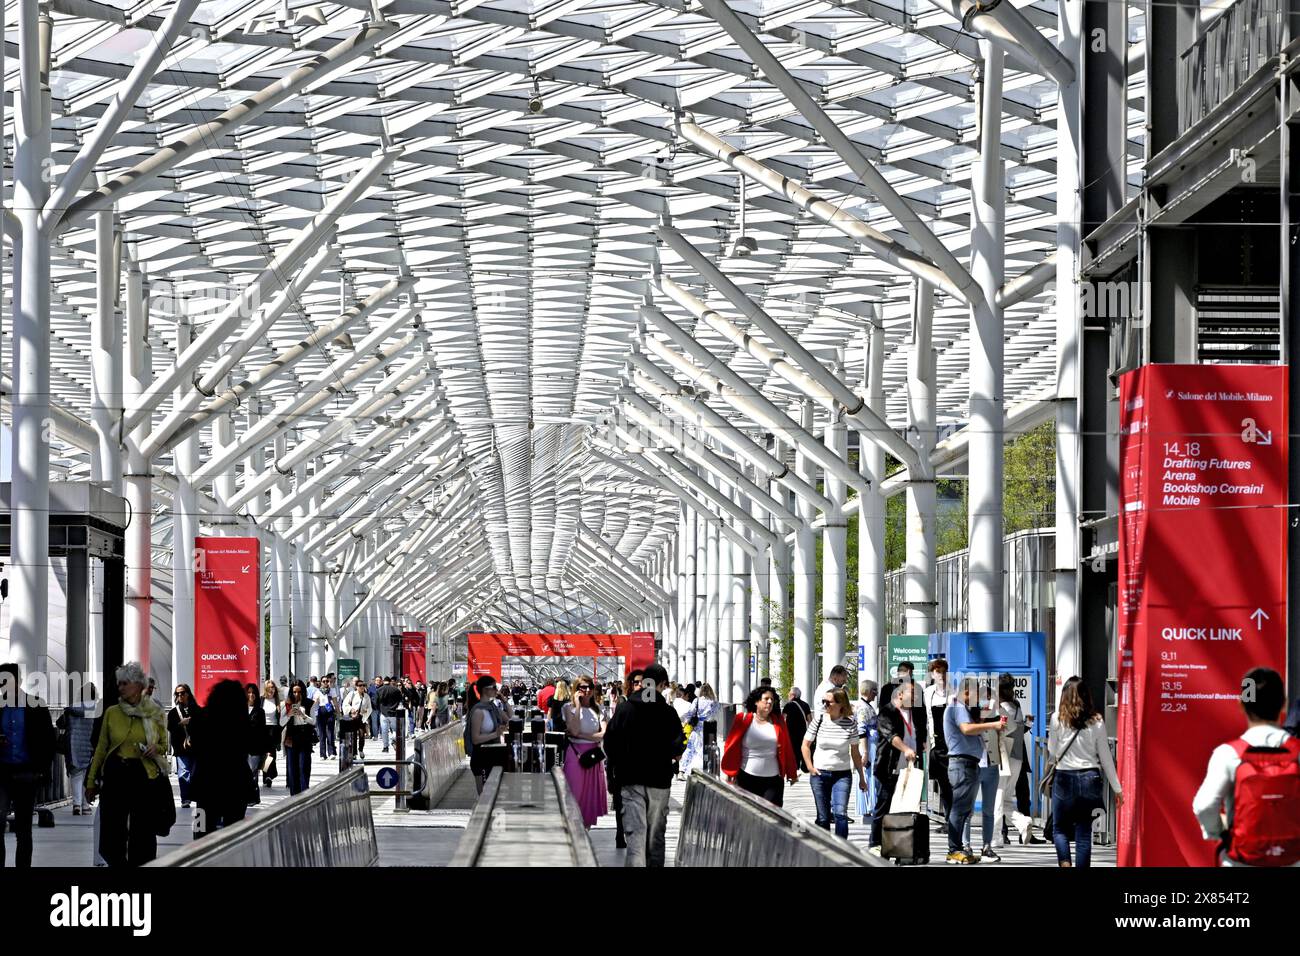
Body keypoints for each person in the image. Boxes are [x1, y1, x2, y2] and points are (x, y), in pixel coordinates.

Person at [1193, 667, 1298, 866]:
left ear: (1242, 705)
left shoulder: (1228, 754)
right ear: (1283, 705)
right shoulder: (1298, 752)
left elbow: (1204, 805)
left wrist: (1219, 832)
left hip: (1241, 860)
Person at [85, 662, 170, 867]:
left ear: (138, 686)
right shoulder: (112, 712)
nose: (120, 688)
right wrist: (91, 781)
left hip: (143, 774)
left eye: (124, 683)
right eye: (119, 684)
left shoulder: (156, 713)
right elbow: (101, 748)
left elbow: (164, 745)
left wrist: (154, 749)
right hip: (116, 773)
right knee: (111, 834)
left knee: (143, 832)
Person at [604, 664, 685, 867]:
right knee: (655, 834)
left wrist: (616, 770)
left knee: (636, 837)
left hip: (630, 779)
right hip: (659, 780)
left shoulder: (624, 709)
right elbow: (678, 748)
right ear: (662, 685)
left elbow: (610, 744)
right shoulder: (667, 713)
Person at [1047, 676, 1121, 868]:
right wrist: (1117, 788)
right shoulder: (1096, 721)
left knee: (1060, 829)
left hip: (1064, 777)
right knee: (1084, 831)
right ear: (1086, 696)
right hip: (1090, 778)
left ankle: (1065, 864)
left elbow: (1053, 752)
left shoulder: (1057, 719)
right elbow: (1106, 758)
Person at [943, 675, 1006, 865]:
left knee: (963, 810)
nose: (978, 700)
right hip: (962, 763)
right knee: (960, 809)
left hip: (969, 763)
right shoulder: (957, 706)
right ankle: (954, 849)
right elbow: (966, 729)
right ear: (967, 692)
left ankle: (958, 849)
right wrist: (993, 724)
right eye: (977, 695)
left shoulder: (963, 707)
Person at [0, 662, 56, 867]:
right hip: (3, 772)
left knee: (24, 829)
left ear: (19, 681)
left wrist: (41, 771)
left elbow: (48, 741)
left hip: (27, 772)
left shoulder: (36, 706)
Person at [188, 680, 256, 835]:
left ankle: (198, 854)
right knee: (234, 832)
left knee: (201, 830)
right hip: (235, 782)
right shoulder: (241, 721)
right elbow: (251, 746)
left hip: (206, 783)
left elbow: (195, 747)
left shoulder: (201, 717)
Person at [801, 687, 864, 838]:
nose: (825, 705)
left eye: (828, 702)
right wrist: (810, 767)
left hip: (842, 775)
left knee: (840, 814)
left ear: (840, 703)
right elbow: (805, 745)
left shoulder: (850, 724)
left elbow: (855, 753)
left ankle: (842, 851)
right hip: (819, 773)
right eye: (823, 702)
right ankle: (825, 851)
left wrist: (862, 778)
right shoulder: (820, 719)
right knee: (823, 818)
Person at [721, 686, 798, 806]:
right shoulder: (742, 719)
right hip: (746, 777)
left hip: (773, 780)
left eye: (772, 699)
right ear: (756, 701)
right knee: (747, 815)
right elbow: (731, 745)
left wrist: (792, 773)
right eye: (766, 699)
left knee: (772, 817)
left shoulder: (778, 721)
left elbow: (787, 747)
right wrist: (730, 773)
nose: (770, 702)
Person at [872, 681, 921, 846]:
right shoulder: (887, 712)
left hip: (908, 770)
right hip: (888, 767)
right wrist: (906, 749)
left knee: (905, 810)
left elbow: (918, 734)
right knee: (883, 808)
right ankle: (875, 844)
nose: (915, 697)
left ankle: (900, 847)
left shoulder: (915, 713)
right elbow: (891, 736)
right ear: (900, 694)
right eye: (912, 693)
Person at [992, 673, 1036, 847]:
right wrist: (1028, 724)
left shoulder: (996, 707)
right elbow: (1017, 730)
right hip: (1017, 757)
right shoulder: (1016, 706)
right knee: (1007, 798)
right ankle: (1022, 822)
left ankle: (996, 837)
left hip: (1002, 755)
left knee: (997, 796)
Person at [563, 677, 608, 828]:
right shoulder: (568, 708)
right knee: (574, 790)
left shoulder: (599, 709)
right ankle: (572, 827)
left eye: (589, 687)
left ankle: (585, 829)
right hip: (575, 754)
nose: (587, 690)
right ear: (576, 689)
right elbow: (574, 729)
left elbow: (603, 734)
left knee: (590, 795)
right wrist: (577, 705)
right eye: (583, 687)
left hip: (593, 755)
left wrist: (582, 736)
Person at [607, 669, 643, 849]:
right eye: (636, 683)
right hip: (624, 767)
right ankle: (620, 833)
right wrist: (610, 772)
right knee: (622, 804)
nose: (640, 686)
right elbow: (610, 740)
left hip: (646, 769)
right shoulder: (623, 709)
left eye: (644, 683)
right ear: (630, 686)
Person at [924, 659, 954, 830]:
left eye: (943, 671)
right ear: (932, 674)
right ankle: (948, 819)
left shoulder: (954, 693)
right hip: (936, 743)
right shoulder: (928, 693)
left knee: (953, 783)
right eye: (937, 672)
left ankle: (953, 819)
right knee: (942, 783)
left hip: (952, 743)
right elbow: (927, 718)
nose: (941, 675)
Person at [467, 676, 508, 793]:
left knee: (494, 794)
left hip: (493, 755)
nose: (497, 690)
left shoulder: (492, 707)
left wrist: (504, 700)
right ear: (485, 690)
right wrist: (496, 734)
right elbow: (475, 739)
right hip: (481, 757)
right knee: (484, 796)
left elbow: (510, 717)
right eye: (494, 687)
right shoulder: (478, 711)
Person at [63, 682, 98, 816]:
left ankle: (76, 804)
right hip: (90, 745)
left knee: (76, 775)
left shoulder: (72, 708)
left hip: (74, 745)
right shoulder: (96, 709)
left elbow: (61, 723)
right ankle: (85, 805)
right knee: (87, 776)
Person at [281, 680, 318, 795]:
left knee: (304, 767)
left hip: (305, 737)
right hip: (291, 738)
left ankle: (304, 794)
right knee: (292, 770)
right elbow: (281, 722)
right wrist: (289, 714)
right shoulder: (287, 704)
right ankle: (294, 796)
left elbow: (313, 721)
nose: (296, 695)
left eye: (299, 692)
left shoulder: (309, 703)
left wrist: (303, 715)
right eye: (294, 692)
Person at [167, 684, 199, 809]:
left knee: (195, 774)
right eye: (177, 694)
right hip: (181, 748)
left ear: (188, 694)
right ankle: (185, 799)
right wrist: (181, 723)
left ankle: (195, 795)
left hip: (196, 748)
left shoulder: (196, 709)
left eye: (182, 693)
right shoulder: (173, 712)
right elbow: (170, 728)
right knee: (183, 773)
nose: (180, 696)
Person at [679, 683, 719, 777]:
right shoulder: (714, 702)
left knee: (691, 748)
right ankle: (706, 768)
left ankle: (683, 770)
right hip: (710, 728)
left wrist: (685, 722)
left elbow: (690, 713)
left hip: (698, 728)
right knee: (707, 749)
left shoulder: (697, 701)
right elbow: (716, 713)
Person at [853, 679, 878, 827]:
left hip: (871, 745)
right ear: (868, 691)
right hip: (869, 747)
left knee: (870, 776)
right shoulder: (863, 708)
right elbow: (861, 731)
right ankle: (868, 807)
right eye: (874, 690)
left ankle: (870, 806)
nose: (876, 693)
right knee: (868, 775)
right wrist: (865, 752)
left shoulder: (866, 706)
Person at [244, 683, 267, 805]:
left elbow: (262, 730)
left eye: (253, 692)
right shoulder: (240, 710)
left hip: (255, 747)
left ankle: (253, 797)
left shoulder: (260, 711)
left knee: (252, 773)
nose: (251, 695)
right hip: (242, 747)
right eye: (249, 692)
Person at [782, 687, 812, 772]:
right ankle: (802, 765)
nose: (788, 695)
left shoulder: (788, 705)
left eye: (789, 693)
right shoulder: (805, 705)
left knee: (792, 749)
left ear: (793, 695)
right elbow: (810, 720)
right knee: (801, 747)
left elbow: (782, 718)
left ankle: (795, 766)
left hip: (790, 732)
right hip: (802, 732)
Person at [342, 678, 372, 757]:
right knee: (354, 735)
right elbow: (345, 704)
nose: (362, 687)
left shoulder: (366, 696)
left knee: (362, 735)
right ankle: (354, 753)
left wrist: (366, 711)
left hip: (362, 718)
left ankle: (361, 749)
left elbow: (370, 707)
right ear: (356, 686)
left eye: (363, 685)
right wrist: (351, 709)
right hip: (353, 718)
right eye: (360, 685)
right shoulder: (352, 694)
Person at [260, 681, 281, 788]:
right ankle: (267, 775)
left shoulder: (277, 701)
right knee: (265, 754)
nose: (271, 689)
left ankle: (268, 775)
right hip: (263, 729)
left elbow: (280, 719)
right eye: (268, 688)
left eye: (272, 687)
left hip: (274, 729)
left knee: (271, 754)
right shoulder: (261, 700)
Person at [377, 677, 404, 752]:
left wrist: (380, 709)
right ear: (390, 682)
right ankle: (393, 740)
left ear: (383, 681)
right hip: (393, 713)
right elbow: (400, 700)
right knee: (395, 730)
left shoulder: (379, 690)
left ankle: (385, 747)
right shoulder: (396, 690)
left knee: (384, 731)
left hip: (383, 713)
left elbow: (376, 701)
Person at [315, 675, 337, 759]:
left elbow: (335, 702)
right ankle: (322, 754)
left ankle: (331, 753)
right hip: (321, 711)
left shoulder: (332, 690)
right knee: (322, 734)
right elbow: (315, 702)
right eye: (323, 681)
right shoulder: (318, 691)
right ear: (321, 682)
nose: (325, 683)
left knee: (330, 733)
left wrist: (338, 713)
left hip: (330, 711)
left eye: (327, 681)